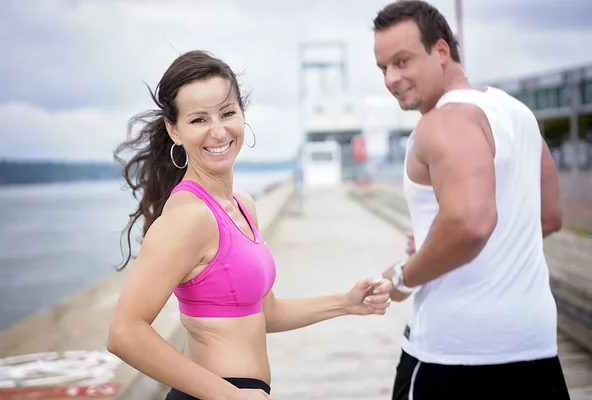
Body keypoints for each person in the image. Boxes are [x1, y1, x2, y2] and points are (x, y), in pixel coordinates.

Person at [106, 50, 394, 400]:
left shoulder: (242, 205)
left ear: (243, 115)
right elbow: (125, 332)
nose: (218, 130)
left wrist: (345, 303)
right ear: (174, 130)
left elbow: (265, 312)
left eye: (227, 113)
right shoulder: (188, 217)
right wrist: (232, 396)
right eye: (198, 120)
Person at [372, 1, 569, 399]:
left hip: (455, 355)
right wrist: (435, 244)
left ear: (441, 51)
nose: (392, 78)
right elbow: (547, 218)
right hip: (534, 346)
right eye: (383, 68)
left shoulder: (444, 120)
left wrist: (402, 277)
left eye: (402, 61)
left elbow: (470, 223)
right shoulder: (517, 113)